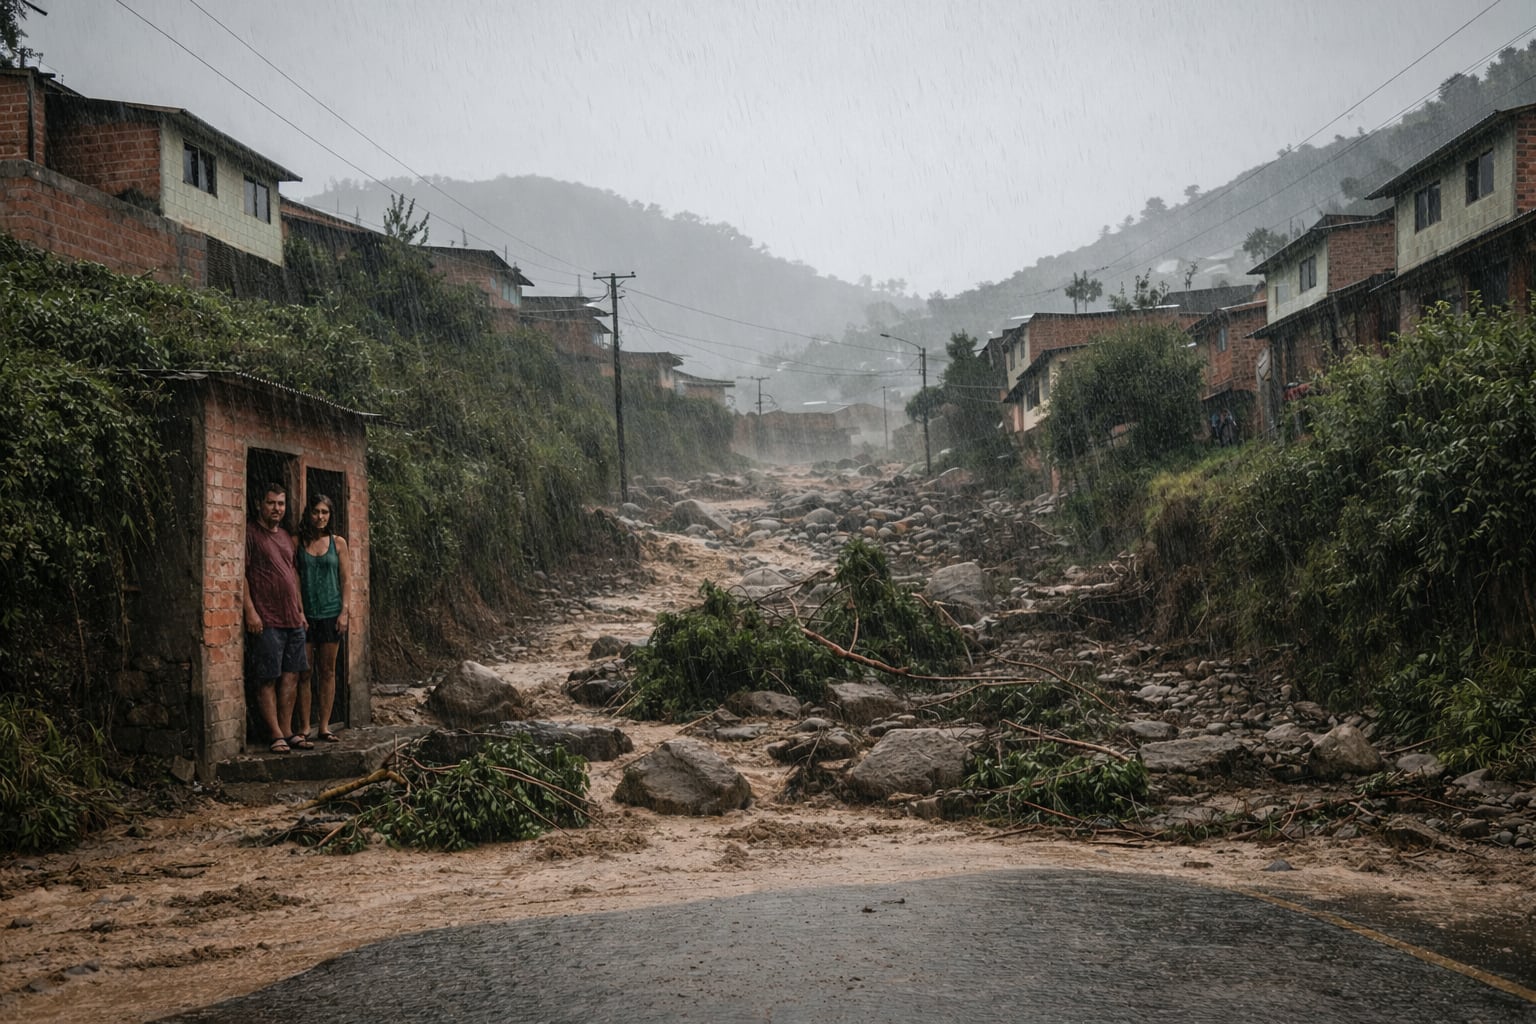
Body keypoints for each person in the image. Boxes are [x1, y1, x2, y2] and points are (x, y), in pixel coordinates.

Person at [244, 483, 310, 753]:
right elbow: (242, 575)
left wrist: (301, 610)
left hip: (292, 619)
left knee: (291, 676)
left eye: (281, 504)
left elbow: (293, 575)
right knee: (267, 678)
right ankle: (274, 734)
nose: (276, 509)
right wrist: (250, 611)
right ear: (261, 503)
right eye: (271, 503)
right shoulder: (250, 533)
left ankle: (287, 730)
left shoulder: (284, 536)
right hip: (267, 619)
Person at [295, 494, 350, 744]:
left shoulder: (338, 543)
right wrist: (298, 611)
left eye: (325, 512)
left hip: (330, 614)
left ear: (330, 515)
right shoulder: (299, 542)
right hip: (306, 616)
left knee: (327, 671)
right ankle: (305, 726)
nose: (320, 517)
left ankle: (325, 726)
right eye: (316, 512)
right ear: (309, 513)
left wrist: (344, 611)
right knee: (304, 672)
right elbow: (294, 580)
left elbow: (346, 580)